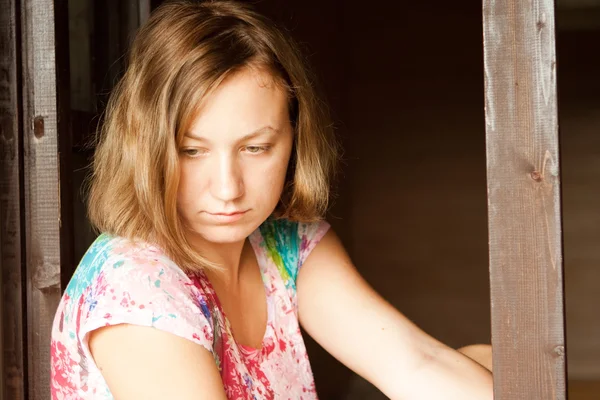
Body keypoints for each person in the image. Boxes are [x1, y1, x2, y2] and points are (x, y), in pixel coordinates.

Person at [50, 0, 493, 399]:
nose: (227, 188)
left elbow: (415, 364)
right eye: (192, 151)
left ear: (294, 139)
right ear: (147, 148)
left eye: (255, 148)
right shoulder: (136, 291)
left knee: (487, 363)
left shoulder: (286, 244)